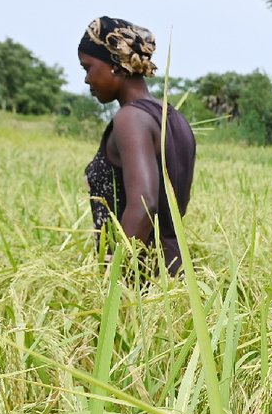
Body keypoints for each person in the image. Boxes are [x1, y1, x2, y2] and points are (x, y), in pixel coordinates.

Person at [77, 16, 196, 274]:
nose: (86, 79)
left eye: (87, 68)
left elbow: (144, 205)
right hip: (174, 270)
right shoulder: (172, 117)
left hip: (140, 279)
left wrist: (116, 276)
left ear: (115, 64)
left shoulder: (131, 119)